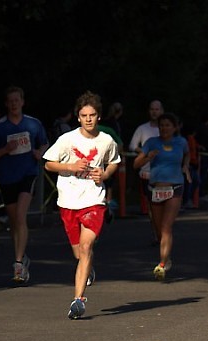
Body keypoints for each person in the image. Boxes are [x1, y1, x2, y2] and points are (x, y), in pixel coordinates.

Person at [43, 91, 121, 319]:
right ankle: (87, 268)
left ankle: (78, 300)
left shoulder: (106, 140)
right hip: (68, 200)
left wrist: (104, 174)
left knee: (86, 247)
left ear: (99, 116)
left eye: (92, 115)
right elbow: (48, 164)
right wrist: (71, 167)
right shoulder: (68, 139)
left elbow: (114, 162)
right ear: (78, 117)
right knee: (79, 252)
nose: (88, 119)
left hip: (94, 200)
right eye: (84, 115)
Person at [0, 86, 48, 283]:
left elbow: (44, 143)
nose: (14, 104)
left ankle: (18, 264)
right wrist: (4, 150)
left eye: (17, 100)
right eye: (10, 101)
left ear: (22, 102)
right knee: (14, 221)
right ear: (6, 104)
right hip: (7, 177)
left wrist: (40, 153)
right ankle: (22, 255)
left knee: (20, 215)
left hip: (28, 174)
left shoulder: (33, 124)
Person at [133, 112, 191, 281]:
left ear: (174, 127)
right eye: (162, 125)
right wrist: (147, 158)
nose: (164, 128)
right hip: (155, 188)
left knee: (166, 227)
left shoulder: (181, 142)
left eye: (168, 125)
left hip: (175, 187)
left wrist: (186, 166)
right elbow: (136, 164)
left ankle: (162, 264)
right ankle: (166, 257)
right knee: (159, 230)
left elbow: (187, 153)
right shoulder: (152, 143)